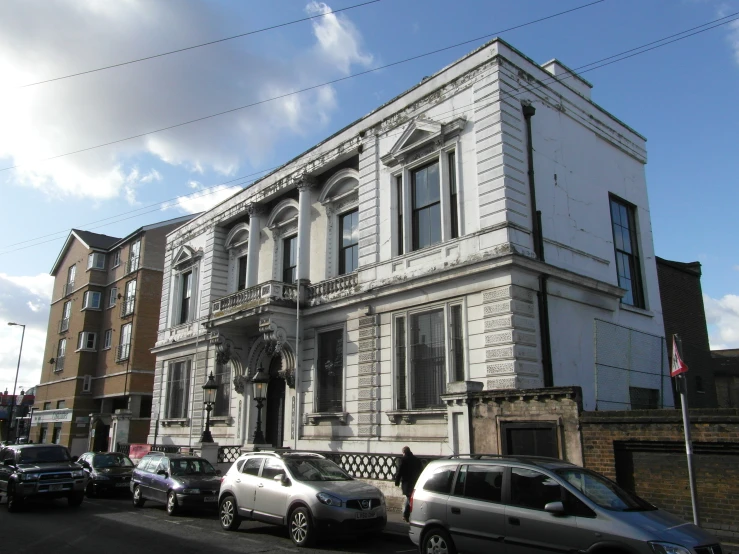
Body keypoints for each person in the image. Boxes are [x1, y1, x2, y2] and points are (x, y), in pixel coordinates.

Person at [394, 446, 422, 522]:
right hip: (415, 482)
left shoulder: (403, 460)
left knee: (410, 499)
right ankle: (406, 515)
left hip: (407, 483)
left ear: (404, 452)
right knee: (409, 498)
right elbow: (420, 470)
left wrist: (397, 482)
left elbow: (399, 472)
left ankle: (415, 516)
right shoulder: (416, 459)